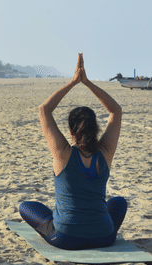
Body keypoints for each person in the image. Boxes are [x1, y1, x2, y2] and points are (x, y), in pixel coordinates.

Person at [18, 53, 127, 250]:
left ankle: (70, 222)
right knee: (119, 202)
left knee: (26, 207)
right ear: (96, 130)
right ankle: (92, 226)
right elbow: (116, 111)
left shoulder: (63, 153)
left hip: (66, 239)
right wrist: (87, 83)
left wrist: (73, 82)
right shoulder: (106, 153)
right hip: (104, 237)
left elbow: (44, 110)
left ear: (70, 131)